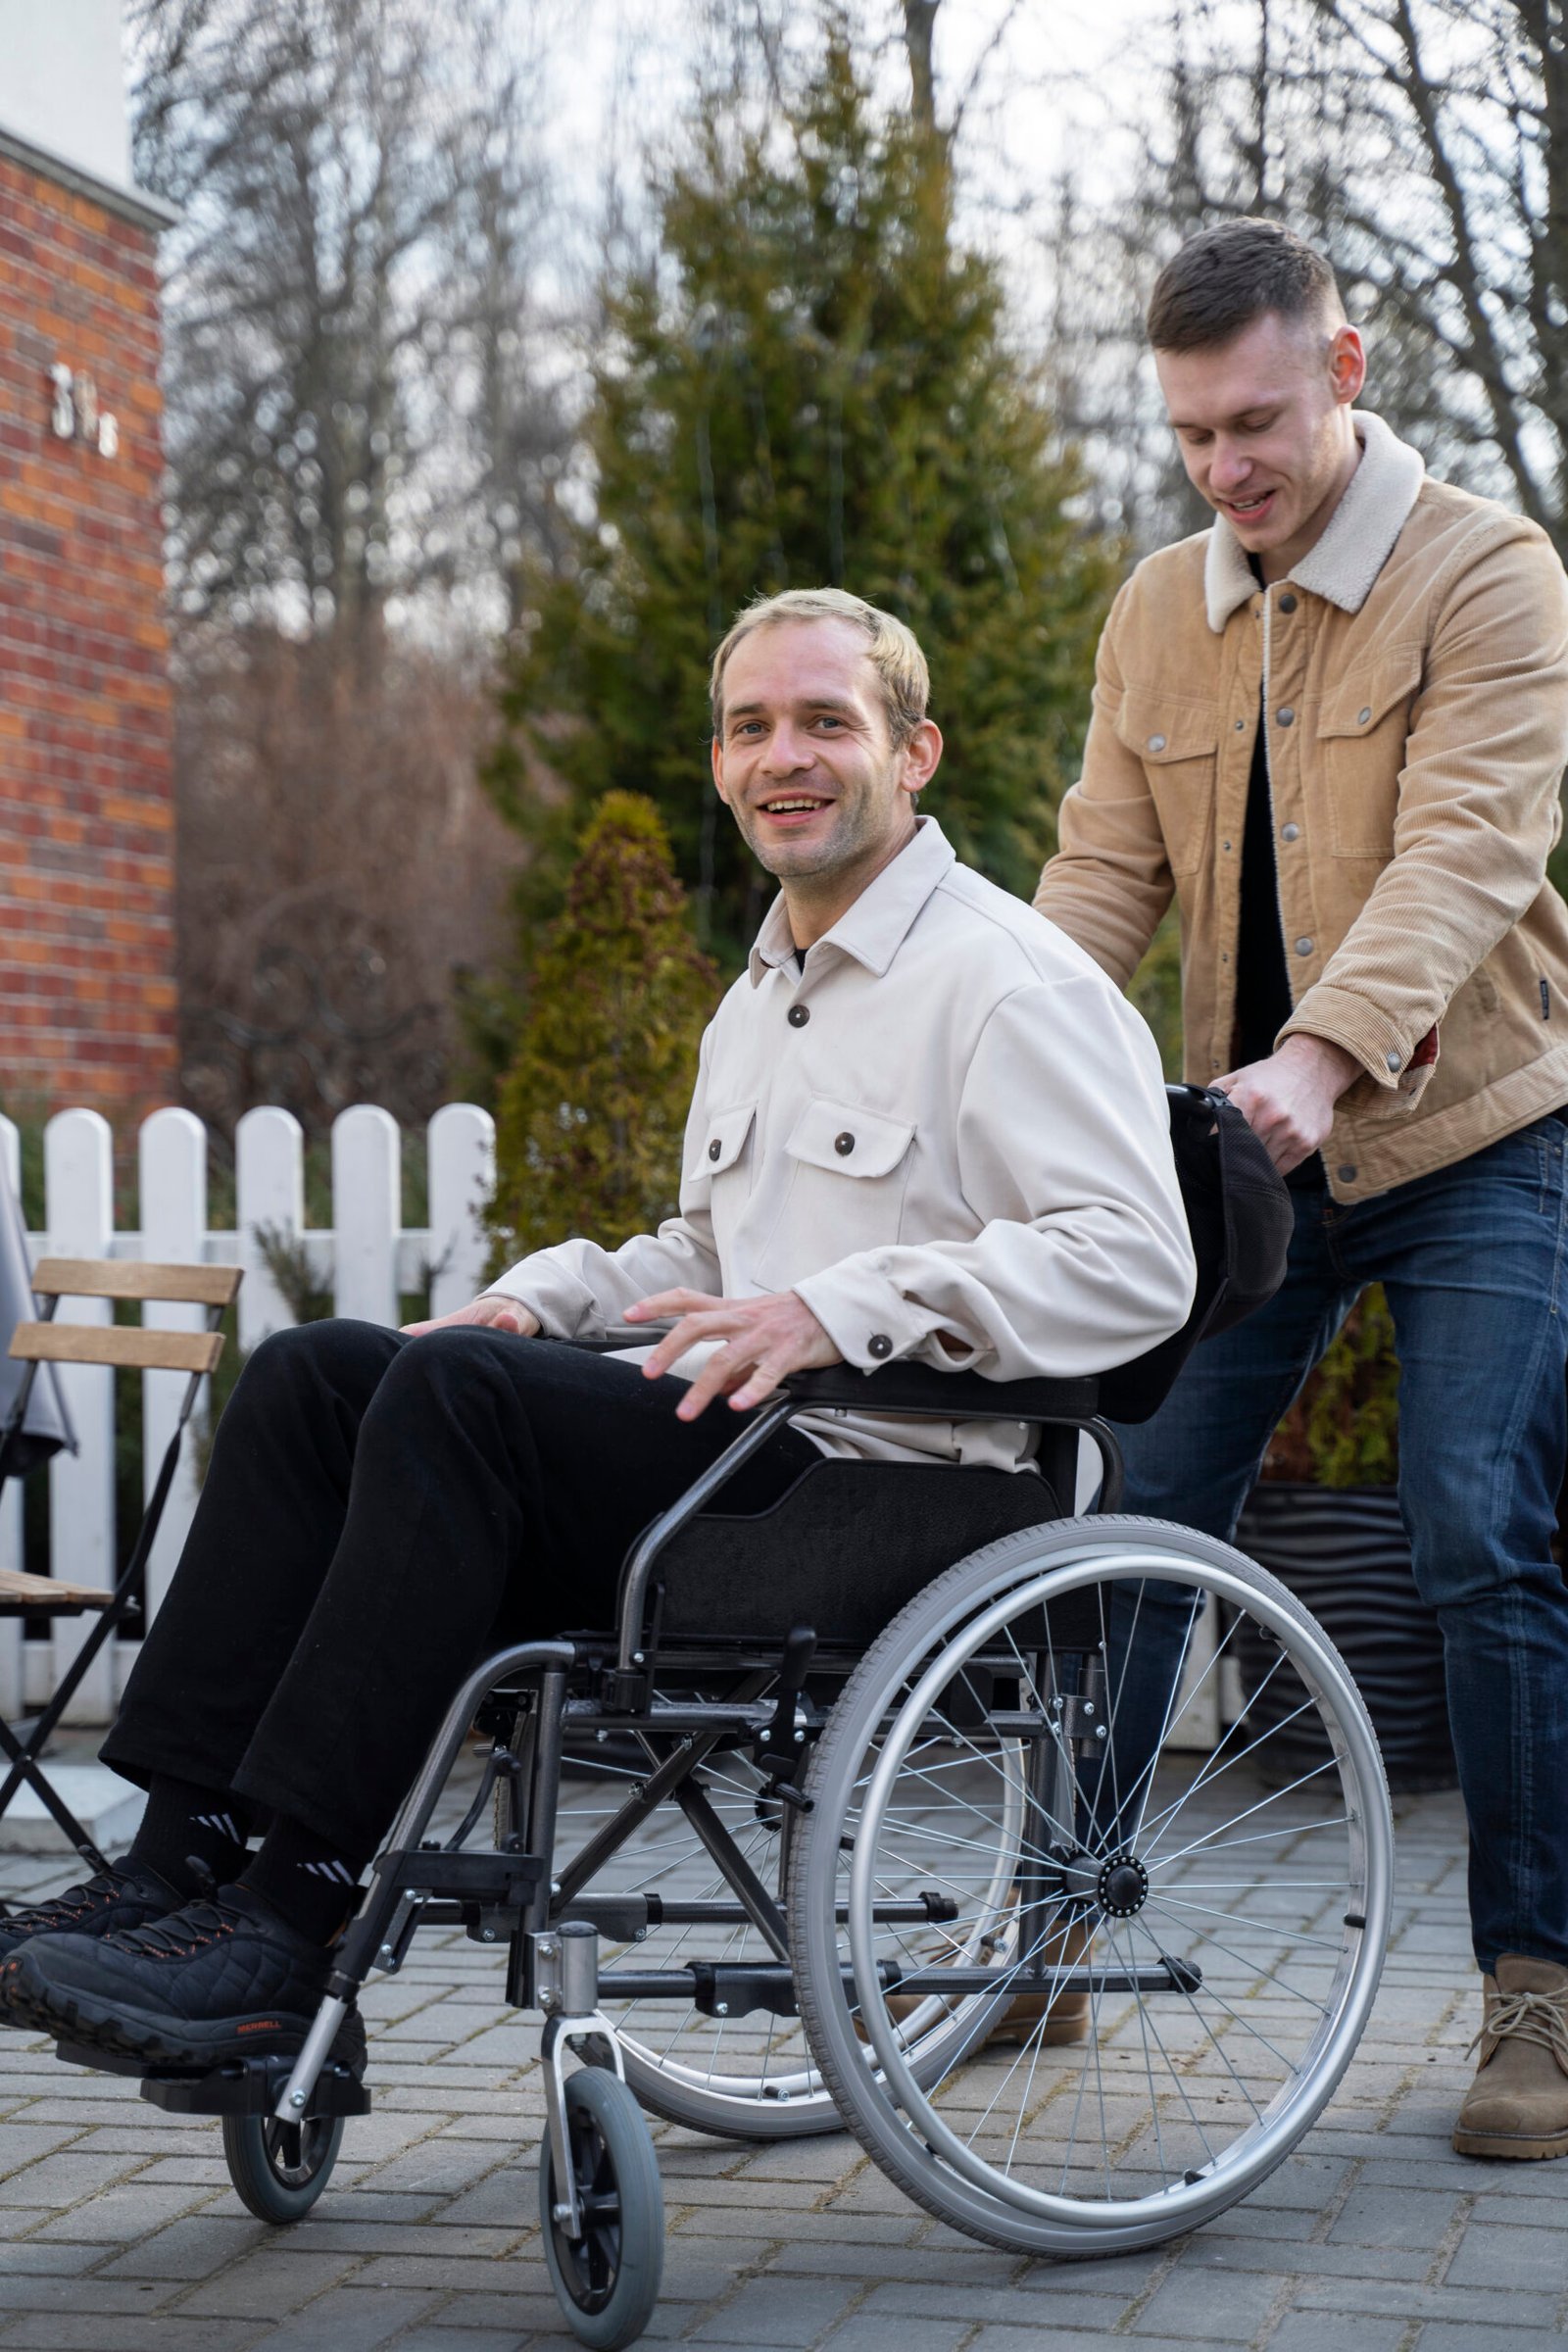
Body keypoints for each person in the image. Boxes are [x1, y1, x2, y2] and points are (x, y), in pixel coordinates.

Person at [0, 587, 1195, 2072]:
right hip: (741, 1445)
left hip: (897, 1483)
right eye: (753, 728)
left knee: (466, 1404)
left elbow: (1137, 1262)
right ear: (719, 765)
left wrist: (842, 1305)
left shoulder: (1008, 981)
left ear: (916, 751)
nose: (787, 757)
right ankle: (177, 1866)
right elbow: (712, 1250)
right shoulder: (766, 992)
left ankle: (289, 1924)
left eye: (828, 721)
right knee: (330, 1375)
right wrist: (542, 1295)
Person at [1033, 217, 1568, 2161]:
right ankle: (1049, 1925)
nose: (1223, 468)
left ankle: (1538, 1997)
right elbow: (1097, 881)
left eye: (1251, 421)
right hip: (1242, 1163)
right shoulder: (1151, 617)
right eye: (1188, 436)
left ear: (1340, 370)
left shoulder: (1486, 573)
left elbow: (1463, 860)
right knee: (1133, 1514)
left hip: (1472, 1136)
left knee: (1466, 1530)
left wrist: (1316, 1059)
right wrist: (976, 1047)